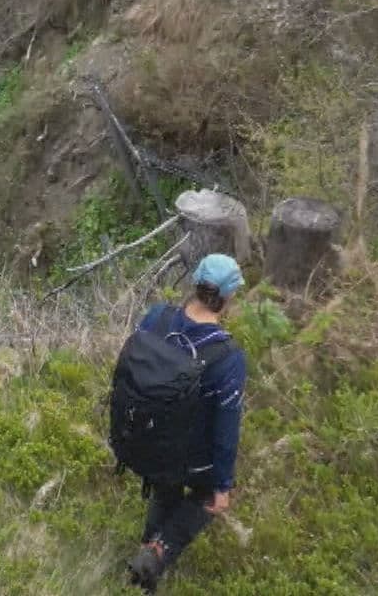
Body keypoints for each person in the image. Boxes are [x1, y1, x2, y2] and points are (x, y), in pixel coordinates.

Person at [123, 254, 248, 592]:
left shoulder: (156, 317)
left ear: (195, 285)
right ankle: (157, 552)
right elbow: (226, 430)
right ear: (228, 297)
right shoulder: (228, 358)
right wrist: (223, 485)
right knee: (207, 496)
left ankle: (145, 568)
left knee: (165, 489)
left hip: (145, 437)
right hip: (188, 457)